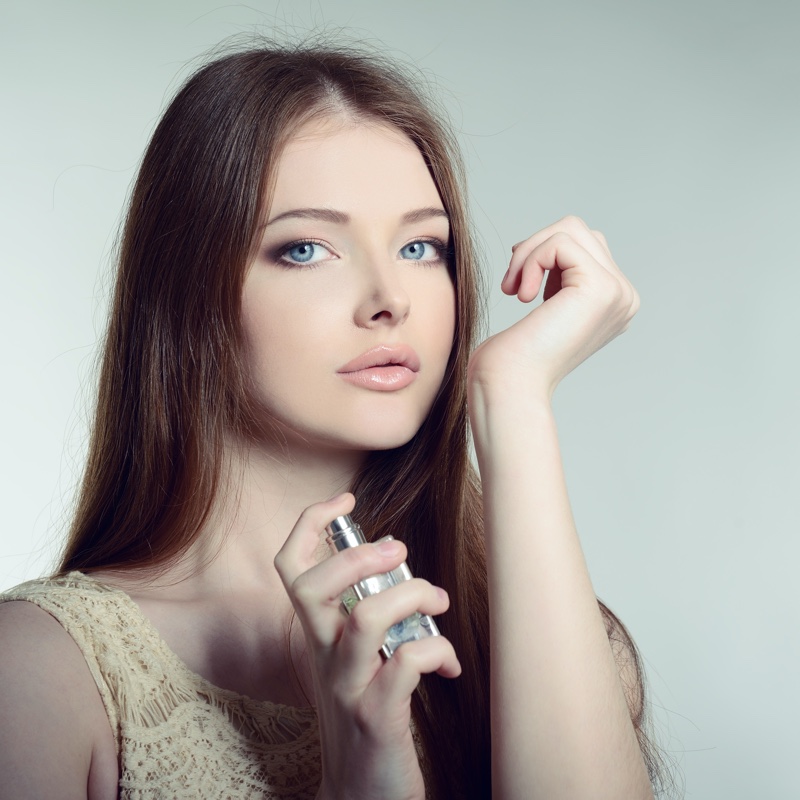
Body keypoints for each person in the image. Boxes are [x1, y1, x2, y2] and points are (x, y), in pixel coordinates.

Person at [0, 41, 665, 799]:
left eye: (421, 246)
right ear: (187, 295)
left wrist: (508, 396)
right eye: (307, 248)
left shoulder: (544, 642)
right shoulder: (43, 674)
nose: (391, 298)